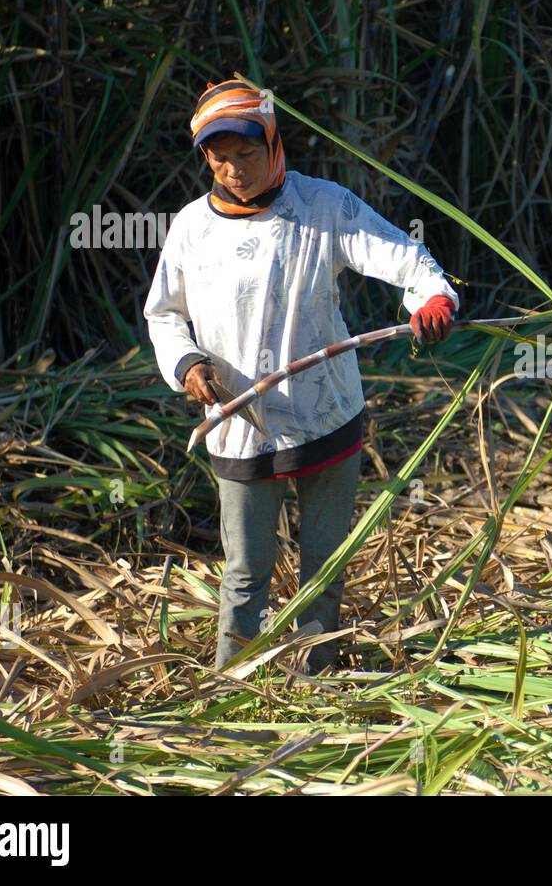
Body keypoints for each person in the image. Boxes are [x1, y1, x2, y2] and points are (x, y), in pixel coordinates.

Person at [143, 79, 460, 672]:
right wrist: (187, 364)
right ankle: (232, 688)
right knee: (244, 574)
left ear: (273, 143)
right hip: (241, 425)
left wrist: (433, 299)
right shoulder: (191, 227)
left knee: (324, 568)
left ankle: (318, 684)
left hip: (327, 415)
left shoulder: (323, 207)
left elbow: (404, 257)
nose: (234, 169)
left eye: (247, 153)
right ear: (205, 158)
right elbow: (163, 314)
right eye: (220, 157)